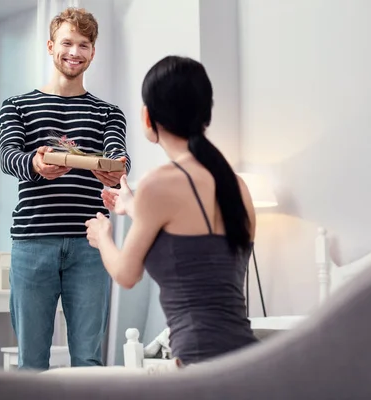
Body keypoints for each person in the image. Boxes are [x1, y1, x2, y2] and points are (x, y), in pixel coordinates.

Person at [85, 55, 257, 366]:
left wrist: (103, 237)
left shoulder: (159, 184)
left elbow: (126, 274)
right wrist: (132, 205)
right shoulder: (237, 187)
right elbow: (195, 242)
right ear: (205, 114)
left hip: (200, 363)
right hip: (248, 360)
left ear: (148, 117)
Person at [0, 7, 130, 370]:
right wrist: (36, 165)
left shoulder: (108, 112)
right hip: (32, 243)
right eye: (67, 43)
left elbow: (118, 155)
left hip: (90, 246)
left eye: (83, 45)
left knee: (88, 360)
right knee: (32, 362)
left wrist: (116, 170)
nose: (74, 52)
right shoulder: (17, 106)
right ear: (50, 46)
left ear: (92, 52)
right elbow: (8, 156)